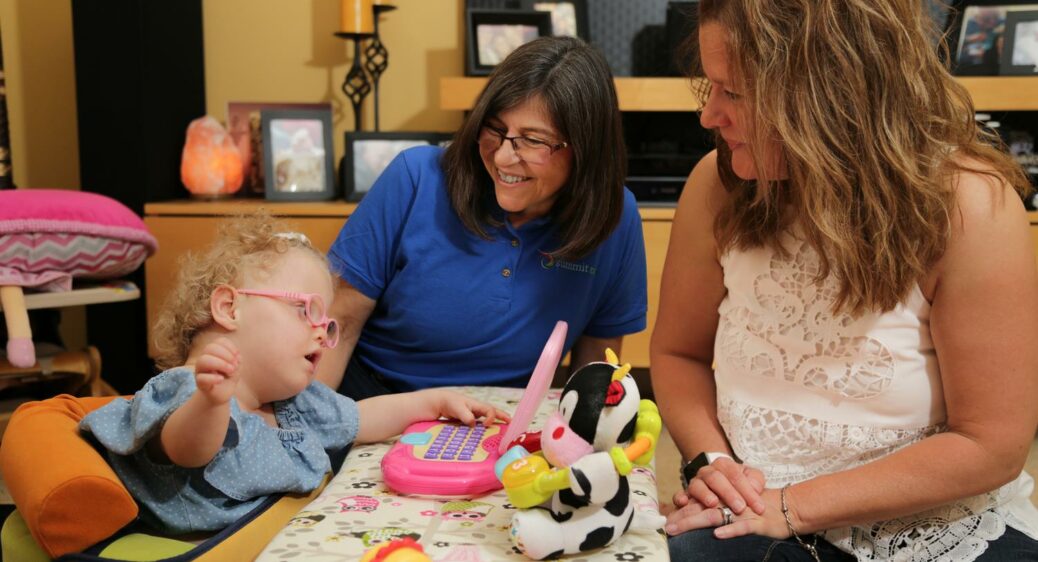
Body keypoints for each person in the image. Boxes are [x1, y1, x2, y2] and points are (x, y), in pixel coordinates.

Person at [651, 0, 1038, 560]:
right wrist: (714, 465)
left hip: (932, 526)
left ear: (828, 94)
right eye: (711, 87)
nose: (709, 116)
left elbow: (990, 444)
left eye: (733, 92)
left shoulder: (969, 205)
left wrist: (792, 507)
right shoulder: (716, 185)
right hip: (756, 510)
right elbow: (677, 354)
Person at [79, 215, 504, 534]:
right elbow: (186, 449)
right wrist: (210, 402)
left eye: (327, 321)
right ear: (229, 308)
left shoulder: (292, 405)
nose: (323, 332)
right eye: (305, 310)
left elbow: (362, 419)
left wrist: (432, 401)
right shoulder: (190, 387)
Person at [318, 36, 647, 399]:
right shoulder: (415, 177)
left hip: (500, 414)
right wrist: (305, 426)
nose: (503, 157)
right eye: (495, 129)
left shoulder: (615, 217)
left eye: (533, 140)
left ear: (585, 150)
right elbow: (340, 324)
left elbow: (595, 365)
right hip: (375, 398)